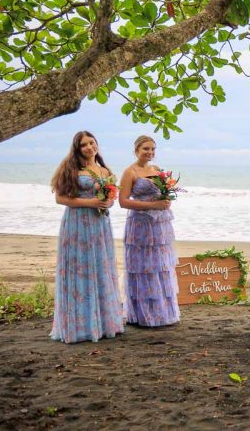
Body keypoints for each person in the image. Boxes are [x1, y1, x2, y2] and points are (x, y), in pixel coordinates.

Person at [50, 131, 124, 343]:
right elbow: (60, 198)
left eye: (92, 142)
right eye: (84, 145)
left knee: (101, 268)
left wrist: (106, 203)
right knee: (80, 270)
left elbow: (111, 198)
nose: (90, 147)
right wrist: (90, 202)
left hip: (100, 225)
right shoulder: (72, 169)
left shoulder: (105, 170)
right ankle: (80, 326)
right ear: (77, 148)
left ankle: (103, 323)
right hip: (77, 224)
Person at [119, 135, 180, 327]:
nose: (150, 152)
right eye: (146, 148)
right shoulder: (130, 172)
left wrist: (166, 200)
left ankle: (163, 313)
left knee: (160, 266)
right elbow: (123, 201)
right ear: (136, 149)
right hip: (140, 226)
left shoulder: (157, 170)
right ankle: (143, 315)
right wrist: (153, 205)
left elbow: (163, 194)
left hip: (159, 225)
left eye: (153, 149)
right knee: (143, 268)